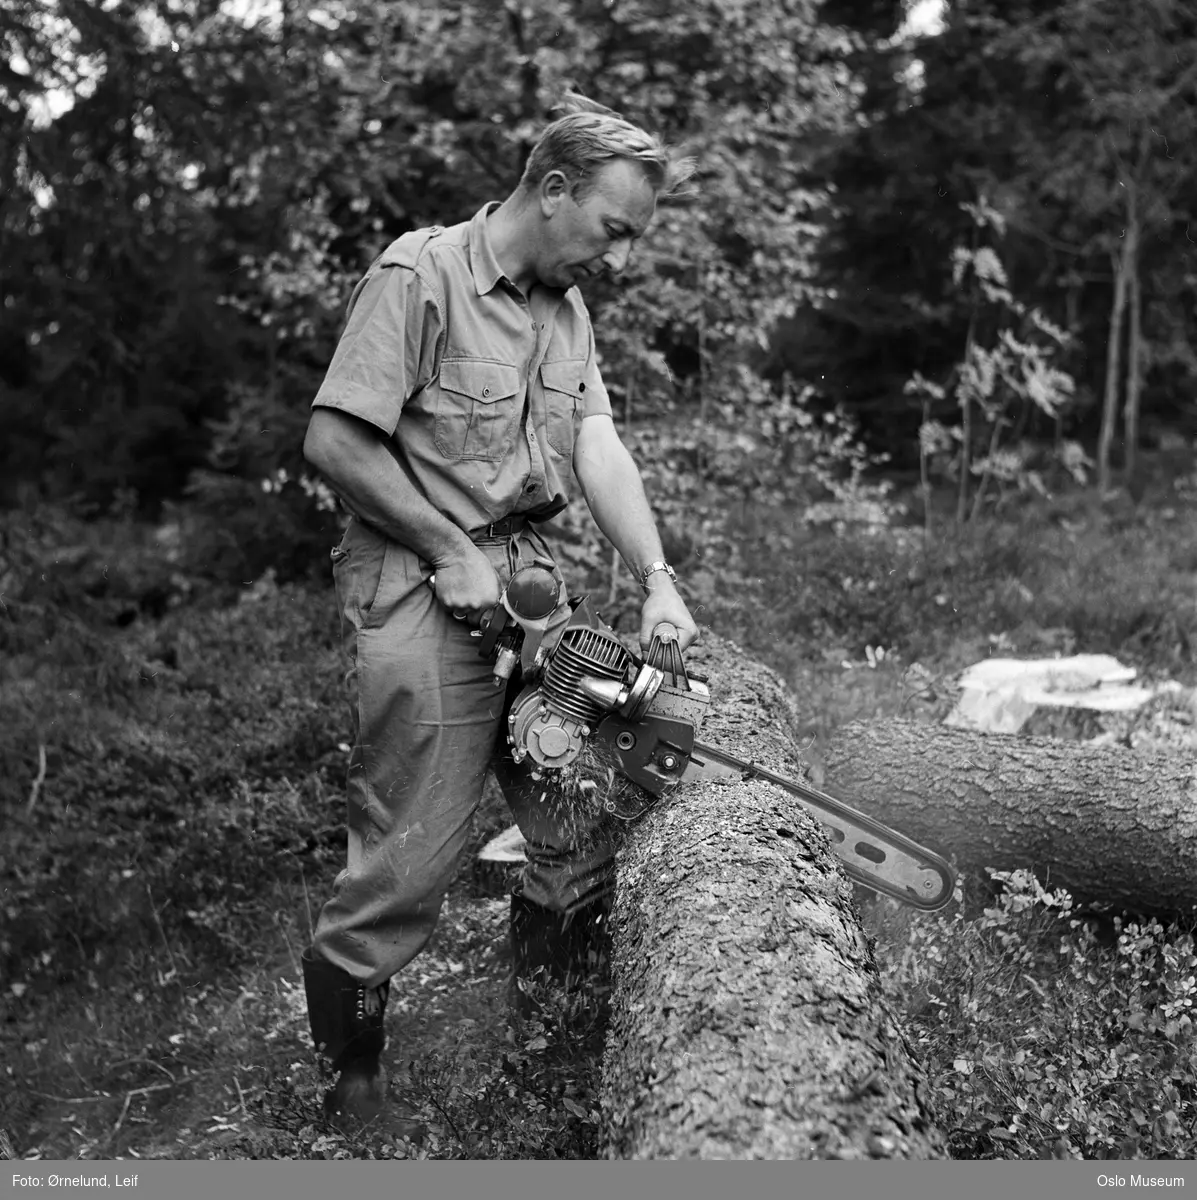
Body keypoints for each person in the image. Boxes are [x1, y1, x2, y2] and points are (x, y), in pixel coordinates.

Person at [299, 93, 699, 1127]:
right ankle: (355, 1077)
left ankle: (551, 1034)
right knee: (411, 849)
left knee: (582, 790)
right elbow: (337, 443)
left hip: (527, 581)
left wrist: (655, 573)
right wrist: (444, 547)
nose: (615, 255)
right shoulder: (419, 274)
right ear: (555, 190)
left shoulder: (566, 311)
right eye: (613, 229)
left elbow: (598, 444)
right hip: (418, 582)